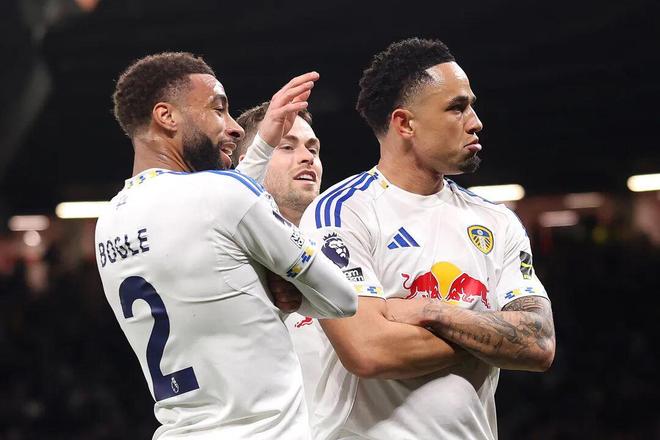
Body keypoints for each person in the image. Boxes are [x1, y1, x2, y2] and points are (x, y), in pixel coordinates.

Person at [299, 38, 556, 440]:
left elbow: (539, 343)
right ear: (405, 124)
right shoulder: (340, 212)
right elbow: (368, 350)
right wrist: (490, 338)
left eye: (471, 106)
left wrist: (433, 312)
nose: (475, 121)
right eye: (457, 107)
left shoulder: (497, 221)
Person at [95, 52, 357, 440]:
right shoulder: (220, 195)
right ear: (166, 116)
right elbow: (342, 299)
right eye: (219, 110)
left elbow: (215, 215)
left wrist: (263, 146)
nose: (234, 127)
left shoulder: (109, 221)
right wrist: (284, 287)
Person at [234, 102, 324, 417]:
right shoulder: (223, 259)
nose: (307, 157)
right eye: (287, 147)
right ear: (253, 161)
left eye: (313, 149)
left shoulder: (350, 242)